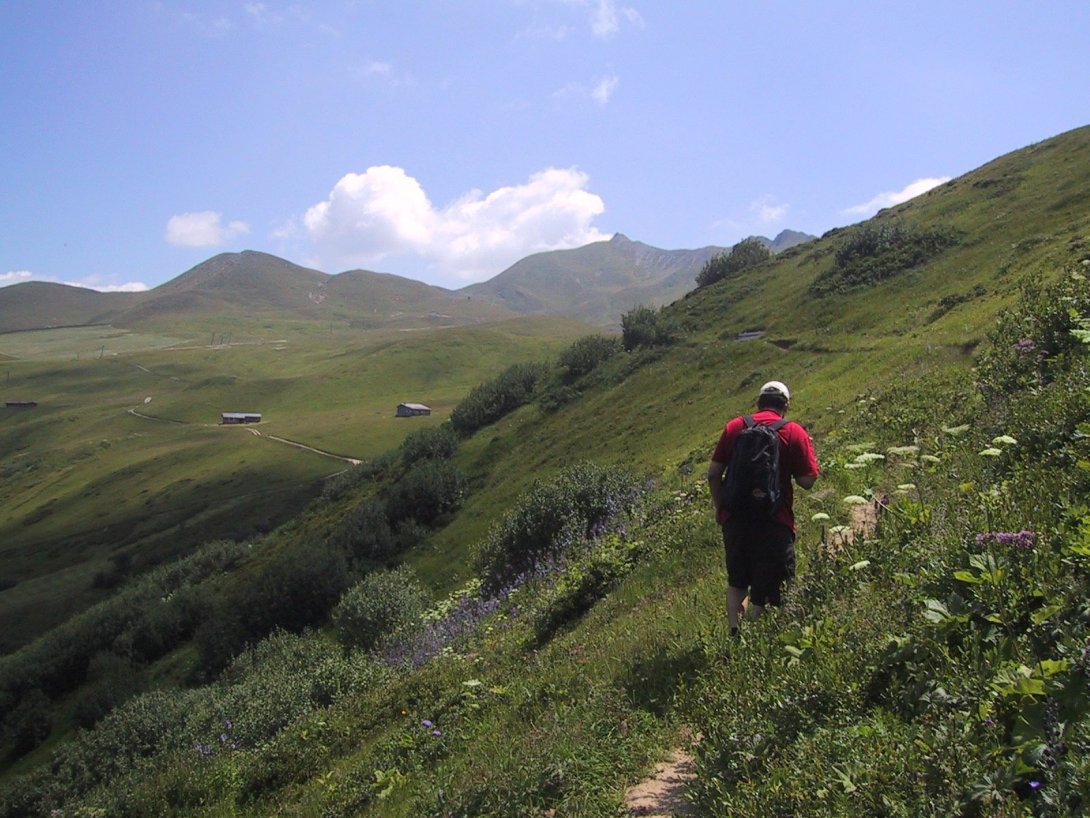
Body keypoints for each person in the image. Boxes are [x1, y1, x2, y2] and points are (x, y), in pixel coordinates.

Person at [706, 380, 819, 636]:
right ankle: (770, 637)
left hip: (735, 519)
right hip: (774, 520)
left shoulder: (735, 427)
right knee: (778, 584)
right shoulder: (793, 431)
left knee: (737, 582)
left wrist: (721, 510)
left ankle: (736, 635)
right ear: (786, 405)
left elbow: (713, 474)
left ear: (759, 402)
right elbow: (807, 481)